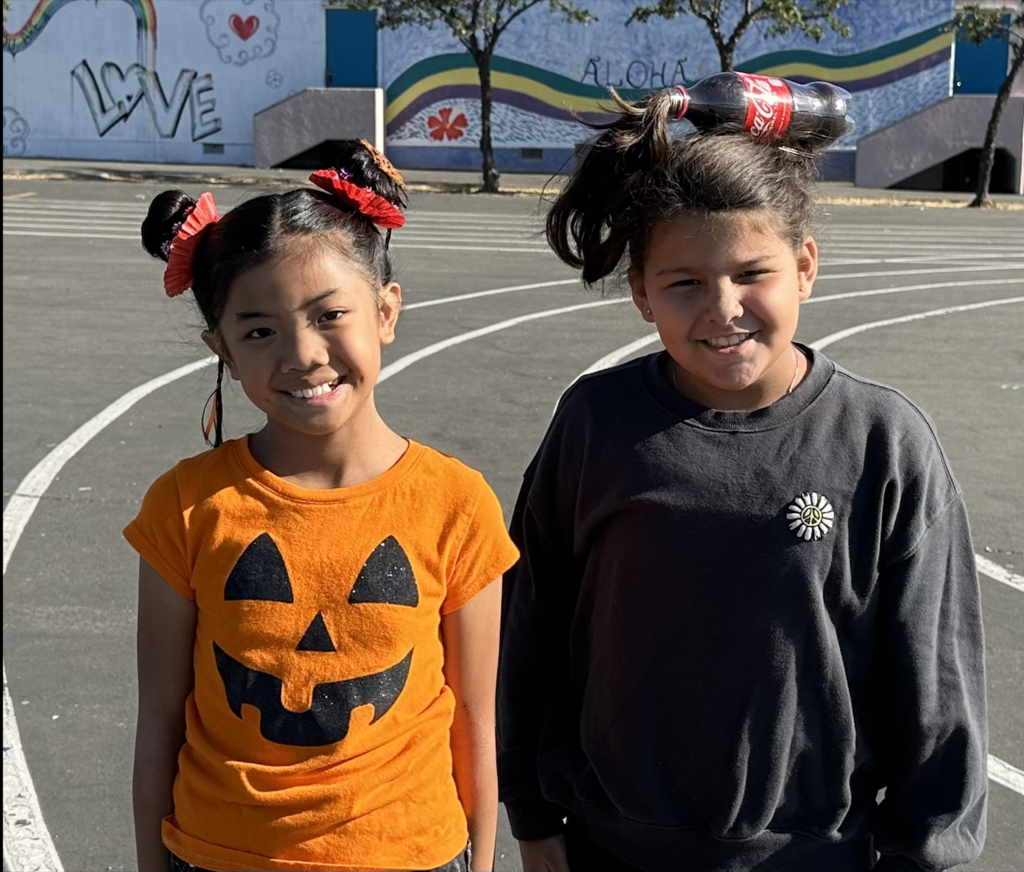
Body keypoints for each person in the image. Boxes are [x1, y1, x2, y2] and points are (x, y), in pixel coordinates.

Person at [497, 91, 988, 872]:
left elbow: (938, 681)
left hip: (815, 857)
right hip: (611, 850)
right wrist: (530, 814)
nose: (723, 309)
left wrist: (927, 855)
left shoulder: (882, 439)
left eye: (752, 273)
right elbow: (531, 630)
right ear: (641, 291)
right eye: (684, 282)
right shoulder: (596, 423)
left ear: (805, 267)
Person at [126, 140, 519, 872]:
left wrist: (485, 858)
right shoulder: (186, 505)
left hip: (412, 854)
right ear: (222, 348)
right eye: (259, 331)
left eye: (330, 315)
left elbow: (474, 722)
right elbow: (159, 724)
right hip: (219, 855)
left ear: (386, 311)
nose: (302, 354)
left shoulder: (457, 504)